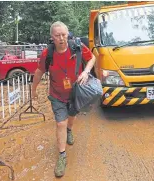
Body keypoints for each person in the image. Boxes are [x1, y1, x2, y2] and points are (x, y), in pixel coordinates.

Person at [32, 21, 96, 177]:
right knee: (61, 122)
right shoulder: (48, 53)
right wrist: (33, 90)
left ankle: (69, 131)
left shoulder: (77, 47)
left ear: (68, 34)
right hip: (57, 94)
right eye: (57, 35)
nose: (61, 38)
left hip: (75, 92)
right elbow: (40, 71)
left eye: (64, 35)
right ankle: (62, 155)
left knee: (72, 116)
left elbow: (92, 58)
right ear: (52, 37)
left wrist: (86, 71)